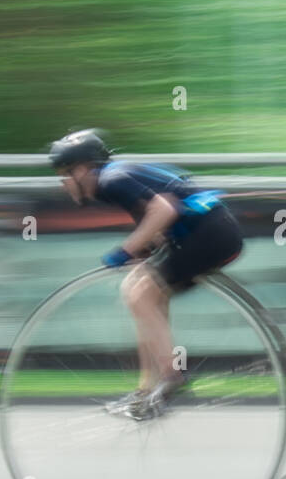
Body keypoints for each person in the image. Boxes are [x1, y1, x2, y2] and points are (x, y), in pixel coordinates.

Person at [47, 129, 244, 420]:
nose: (63, 183)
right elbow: (162, 217)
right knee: (137, 289)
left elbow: (164, 210)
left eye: (64, 174)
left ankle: (171, 376)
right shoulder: (114, 178)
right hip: (209, 231)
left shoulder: (111, 180)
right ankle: (145, 392)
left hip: (213, 234)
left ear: (81, 169)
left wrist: (125, 250)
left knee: (141, 294)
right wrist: (143, 250)